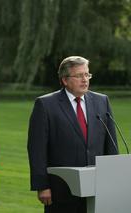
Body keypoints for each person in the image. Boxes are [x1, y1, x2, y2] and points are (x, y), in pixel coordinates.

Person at [27, 56, 118, 213]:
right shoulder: (45, 105)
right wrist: (42, 186)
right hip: (61, 189)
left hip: (97, 185)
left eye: (87, 74)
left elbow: (111, 145)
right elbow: (37, 149)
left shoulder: (102, 101)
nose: (85, 80)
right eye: (79, 75)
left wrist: (114, 178)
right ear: (64, 80)